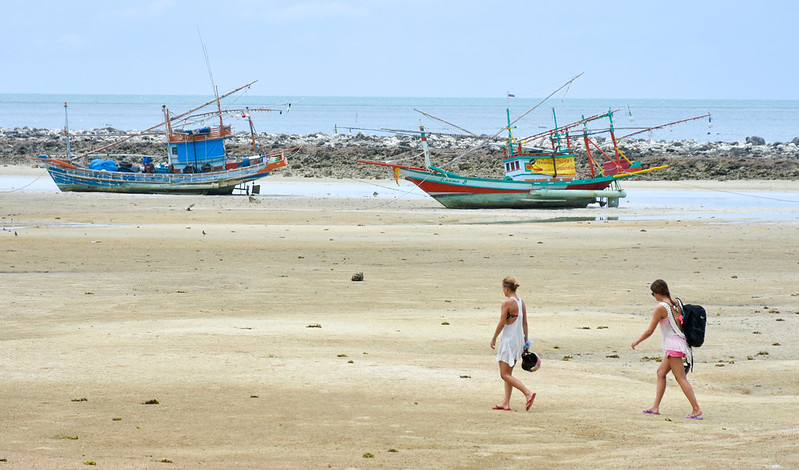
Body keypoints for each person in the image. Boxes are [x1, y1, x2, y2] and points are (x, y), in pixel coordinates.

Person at [631, 279, 703, 420]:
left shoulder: (661, 307)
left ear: (657, 293)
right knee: (661, 373)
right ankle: (655, 407)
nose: (654, 297)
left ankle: (696, 409)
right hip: (680, 342)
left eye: (653, 294)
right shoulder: (676, 302)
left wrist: (637, 341)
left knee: (680, 378)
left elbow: (650, 331)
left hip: (673, 346)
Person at [490, 276, 536, 411]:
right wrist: (525, 341)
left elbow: (502, 322)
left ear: (506, 288)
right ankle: (506, 403)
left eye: (503, 288)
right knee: (508, 373)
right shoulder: (521, 302)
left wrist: (494, 338)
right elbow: (525, 323)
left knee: (504, 374)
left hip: (508, 341)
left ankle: (528, 393)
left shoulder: (507, 303)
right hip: (518, 340)